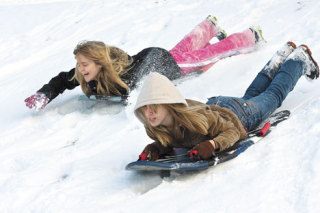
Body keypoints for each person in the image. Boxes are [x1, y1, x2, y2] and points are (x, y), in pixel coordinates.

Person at [25, 15, 264, 110]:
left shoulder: (125, 76)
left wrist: (132, 96)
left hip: (166, 66)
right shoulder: (85, 72)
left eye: (85, 64)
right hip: (154, 56)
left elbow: (139, 85)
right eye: (78, 63)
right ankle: (209, 26)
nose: (81, 68)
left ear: (99, 63)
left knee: (210, 56)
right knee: (183, 49)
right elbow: (61, 80)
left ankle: (251, 36)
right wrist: (44, 94)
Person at [134, 42, 319, 161]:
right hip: (219, 107)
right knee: (253, 93)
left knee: (274, 94)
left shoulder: (195, 120)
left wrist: (213, 144)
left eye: (154, 106)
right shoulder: (158, 126)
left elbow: (234, 131)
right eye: (145, 109)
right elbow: (175, 139)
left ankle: (299, 60)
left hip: (236, 116)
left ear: (168, 103)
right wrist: (156, 147)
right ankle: (281, 56)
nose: (148, 113)